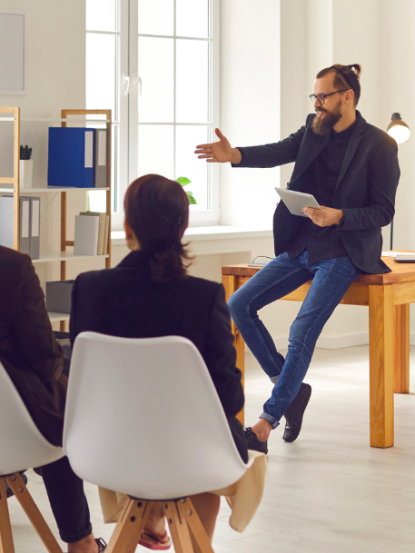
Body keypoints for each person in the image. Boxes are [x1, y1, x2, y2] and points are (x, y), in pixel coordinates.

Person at [195, 63, 400, 453]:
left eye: (323, 97)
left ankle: (264, 423)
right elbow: (277, 151)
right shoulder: (313, 127)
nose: (317, 104)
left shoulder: (379, 144)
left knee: (301, 330)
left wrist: (339, 215)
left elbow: (383, 211)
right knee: (238, 304)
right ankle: (291, 392)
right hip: (301, 244)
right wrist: (233, 154)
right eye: (315, 97)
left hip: (343, 250)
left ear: (347, 97)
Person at [69, 174, 248, 548]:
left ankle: (148, 512)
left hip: (107, 449)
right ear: (183, 227)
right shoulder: (204, 297)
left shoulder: (88, 288)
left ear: (127, 226)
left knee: (167, 436)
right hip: (191, 456)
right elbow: (230, 400)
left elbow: (79, 384)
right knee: (217, 435)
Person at [0, 245, 106, 553]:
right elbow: (45, 361)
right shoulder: (11, 266)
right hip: (15, 426)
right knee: (68, 404)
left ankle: (14, 476)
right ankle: (81, 541)